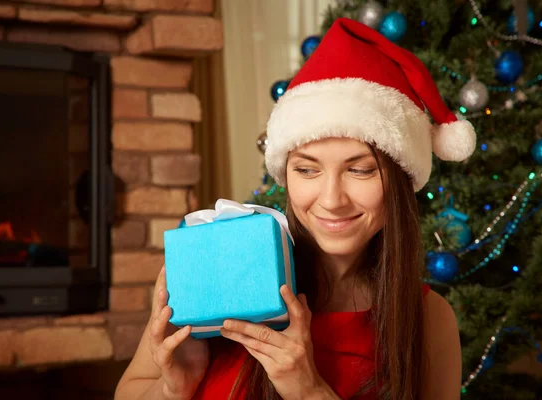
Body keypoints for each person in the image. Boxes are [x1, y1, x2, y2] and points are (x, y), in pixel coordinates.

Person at [115, 17, 475, 400]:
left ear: (400, 182)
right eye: (307, 169)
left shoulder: (428, 319)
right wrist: (172, 389)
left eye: (360, 169)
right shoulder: (220, 262)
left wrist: (309, 391)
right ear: (285, 175)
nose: (332, 199)